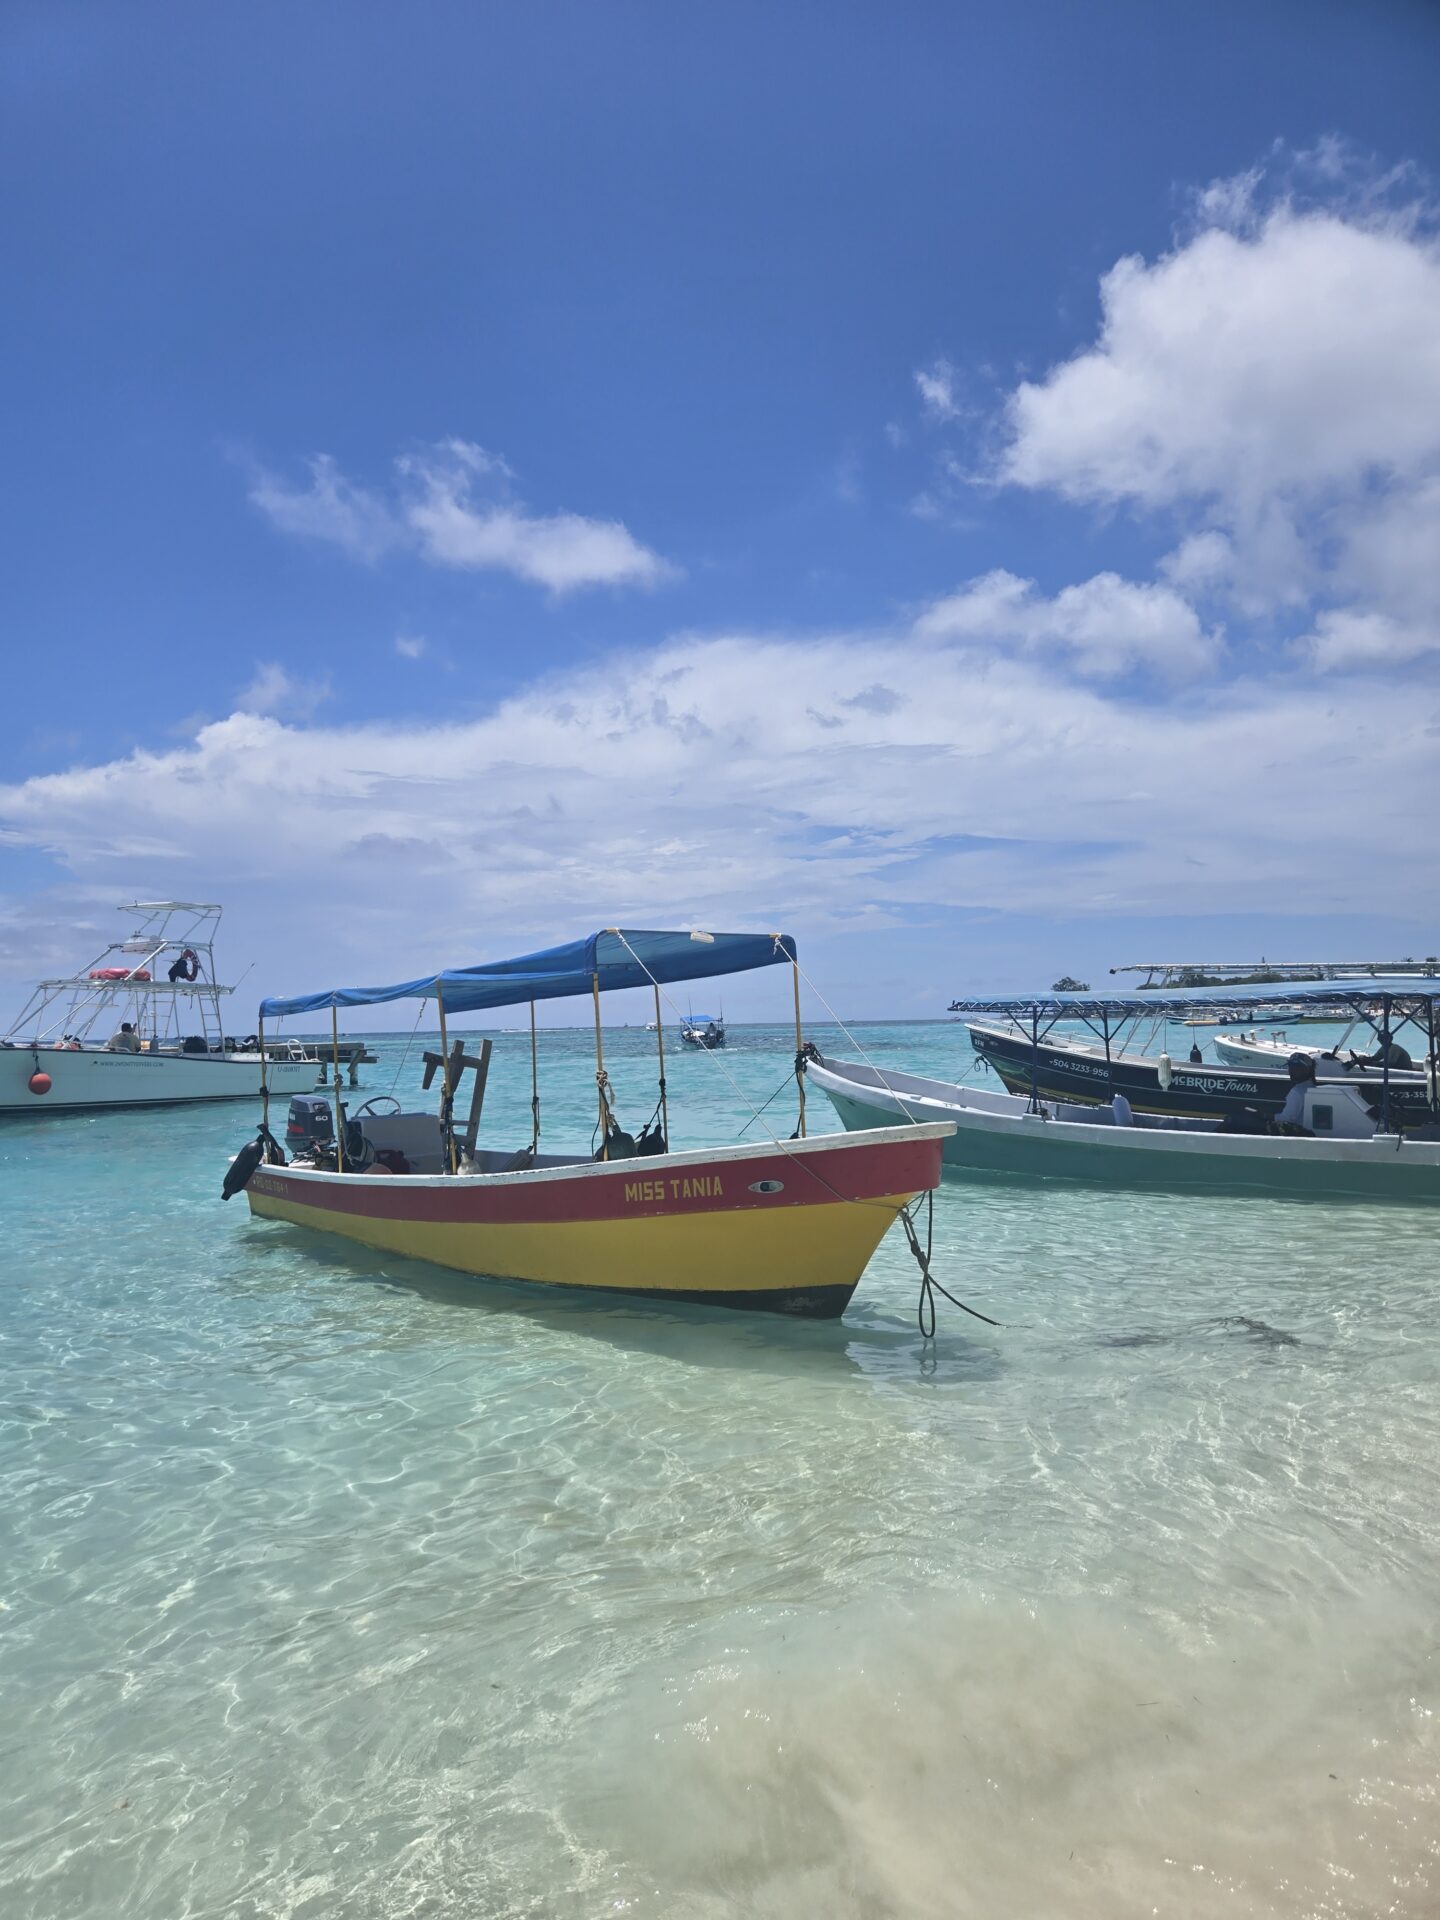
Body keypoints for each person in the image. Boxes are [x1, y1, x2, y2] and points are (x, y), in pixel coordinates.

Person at [1273, 1052, 1317, 1133]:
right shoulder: (1312, 1087)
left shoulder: (1297, 1092)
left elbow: (1287, 1119)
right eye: (1290, 1066)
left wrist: (1268, 1116)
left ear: (1307, 1070)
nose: (1292, 1070)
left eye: (1297, 1067)